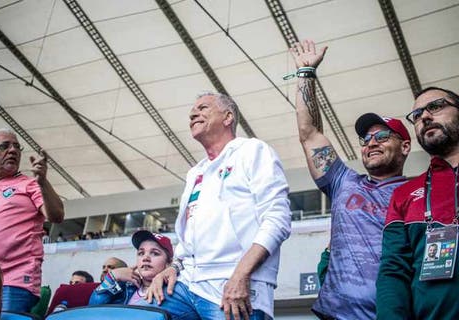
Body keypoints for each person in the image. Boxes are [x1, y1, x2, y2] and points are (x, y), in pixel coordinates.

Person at [289, 40, 411, 319]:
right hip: (334, 314)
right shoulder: (344, 182)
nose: (371, 143)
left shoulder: (416, 193)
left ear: (405, 146)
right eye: (365, 139)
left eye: (382, 136)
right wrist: (306, 72)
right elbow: (309, 134)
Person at [147, 92, 292, 320]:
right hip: (188, 286)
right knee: (138, 310)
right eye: (192, 111)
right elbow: (188, 241)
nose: (193, 114)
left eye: (203, 108)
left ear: (228, 117)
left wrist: (240, 275)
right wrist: (172, 268)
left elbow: (278, 219)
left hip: (233, 285)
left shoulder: (252, 150)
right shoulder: (196, 172)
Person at [377, 87, 459, 319]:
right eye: (417, 115)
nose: (424, 116)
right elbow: (393, 271)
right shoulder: (404, 194)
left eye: (436, 106)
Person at [0, 128, 64, 312]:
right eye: (4, 146)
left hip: (15, 280)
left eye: (17, 147)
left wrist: (42, 181)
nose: (13, 150)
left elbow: (57, 215)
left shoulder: (30, 184)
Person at [89, 230, 173, 305]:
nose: (145, 258)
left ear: (168, 262)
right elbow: (93, 307)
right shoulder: (125, 287)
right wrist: (112, 276)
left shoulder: (176, 291)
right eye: (141, 253)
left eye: (155, 253)